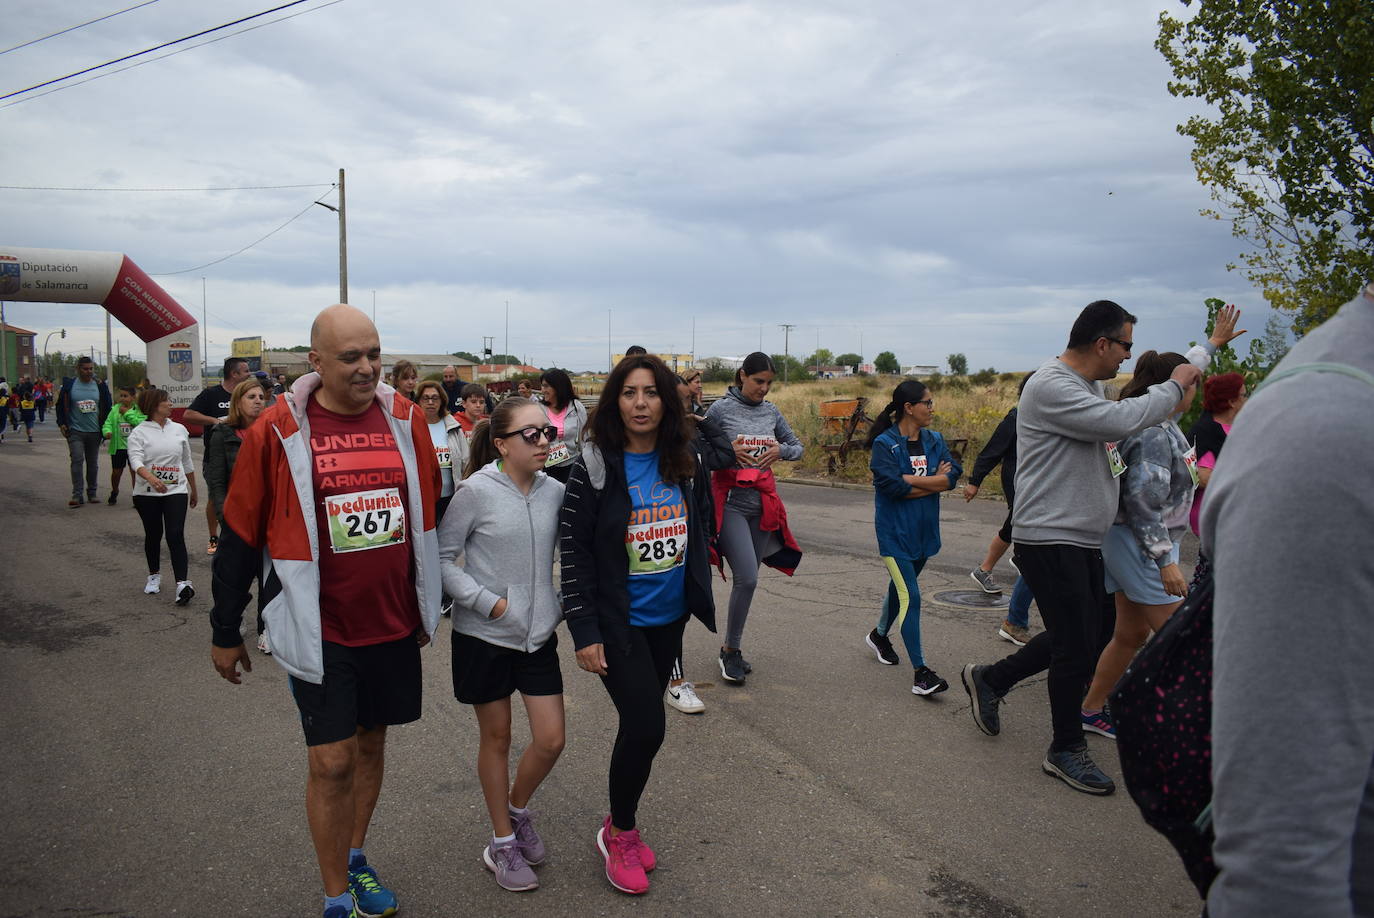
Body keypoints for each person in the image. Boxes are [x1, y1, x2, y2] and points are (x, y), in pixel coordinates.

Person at [209, 304, 443, 918]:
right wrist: (224, 628)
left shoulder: (405, 419)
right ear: (315, 362)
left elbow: (426, 517)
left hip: (391, 621)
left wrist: (428, 598)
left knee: (370, 743)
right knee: (332, 759)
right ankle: (334, 894)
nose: (367, 368)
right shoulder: (279, 430)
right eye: (351, 358)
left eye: (375, 354)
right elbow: (239, 532)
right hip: (320, 625)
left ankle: (356, 858)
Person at [959, 300, 1235, 796]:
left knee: (1091, 633)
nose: (1128, 357)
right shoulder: (1051, 385)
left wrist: (1208, 348)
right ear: (1102, 342)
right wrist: (1177, 380)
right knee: (1075, 646)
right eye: (1125, 345)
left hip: (1084, 538)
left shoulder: (1089, 387)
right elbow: (1124, 419)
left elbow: (1137, 407)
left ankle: (992, 679)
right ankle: (1065, 748)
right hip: (1050, 536)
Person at [1202, 281, 1373, 918]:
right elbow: (1280, 862)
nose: (1246, 398)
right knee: (1107, 636)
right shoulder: (1324, 428)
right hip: (1129, 544)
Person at [558, 354, 716, 895]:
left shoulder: (685, 456)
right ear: (614, 401)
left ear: (666, 400)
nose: (641, 403)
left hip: (667, 621)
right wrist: (584, 629)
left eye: (650, 392)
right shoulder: (596, 464)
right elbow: (574, 550)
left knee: (645, 727)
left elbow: (697, 522)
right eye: (629, 393)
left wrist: (701, 576)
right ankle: (620, 833)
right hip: (616, 623)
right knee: (647, 724)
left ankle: (618, 823)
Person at [439, 397, 566, 892]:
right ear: (501, 443)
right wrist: (488, 603)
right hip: (484, 638)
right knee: (496, 739)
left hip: (538, 636)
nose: (542, 443)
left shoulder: (556, 491)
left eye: (547, 433)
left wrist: (553, 603)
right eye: (530, 434)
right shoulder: (474, 492)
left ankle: (516, 810)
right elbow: (444, 559)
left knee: (552, 739)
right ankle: (501, 842)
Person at [1079, 351, 1200, 739]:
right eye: (1192, 384)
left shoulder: (1159, 421)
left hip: (1139, 542)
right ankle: (1184, 728)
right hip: (1143, 545)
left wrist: (1211, 344)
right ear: (1173, 387)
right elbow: (1142, 502)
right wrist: (1165, 561)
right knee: (1183, 643)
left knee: (1130, 635)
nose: (1196, 391)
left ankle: (1091, 709)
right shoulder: (1151, 433)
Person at [704, 352, 804, 685]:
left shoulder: (771, 411)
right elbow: (697, 450)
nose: (764, 389)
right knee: (746, 577)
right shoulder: (720, 410)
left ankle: (732, 647)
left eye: (769, 383)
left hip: (762, 505)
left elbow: (797, 446)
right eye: (758, 381)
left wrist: (780, 451)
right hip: (731, 503)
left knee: (749, 583)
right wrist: (727, 453)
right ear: (742, 376)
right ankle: (730, 651)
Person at [862, 380, 962, 695]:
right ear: (909, 407)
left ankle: (879, 635)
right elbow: (892, 487)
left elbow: (953, 476)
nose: (932, 408)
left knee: (900, 589)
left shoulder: (935, 439)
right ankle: (921, 673)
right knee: (911, 597)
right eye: (927, 403)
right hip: (895, 535)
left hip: (924, 532)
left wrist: (919, 482)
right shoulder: (884, 443)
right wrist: (936, 481)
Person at [663, 374, 733, 715]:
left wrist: (705, 422)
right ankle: (675, 682)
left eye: (687, 401)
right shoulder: (656, 449)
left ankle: (666, 673)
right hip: (663, 551)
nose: (683, 407)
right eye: (676, 401)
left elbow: (725, 455)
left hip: (694, 543)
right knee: (671, 612)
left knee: (682, 610)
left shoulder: (695, 444)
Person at [964, 372, 1037, 645]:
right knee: (1018, 526)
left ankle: (985, 569)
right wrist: (974, 482)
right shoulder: (1016, 417)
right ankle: (1016, 561)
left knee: (1012, 525)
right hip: (1018, 481)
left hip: (1033, 484)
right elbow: (991, 451)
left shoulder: (1047, 418)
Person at [205, 379, 269, 650]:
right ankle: (234, 616)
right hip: (235, 518)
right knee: (231, 576)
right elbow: (216, 479)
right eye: (251, 396)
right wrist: (223, 515)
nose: (258, 401)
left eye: (261, 397)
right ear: (238, 401)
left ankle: (266, 628)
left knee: (267, 574)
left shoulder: (270, 430)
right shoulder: (223, 432)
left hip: (266, 516)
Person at [127, 388, 198, 605]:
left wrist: (193, 489)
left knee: (175, 534)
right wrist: (150, 478)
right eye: (166, 401)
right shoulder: (138, 433)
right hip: (146, 493)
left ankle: (182, 584)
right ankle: (154, 575)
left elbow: (186, 461)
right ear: (153, 405)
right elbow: (135, 460)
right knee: (153, 534)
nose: (170, 403)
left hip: (175, 490)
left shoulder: (179, 429)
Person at [185, 357, 252, 554]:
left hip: (242, 458)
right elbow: (189, 415)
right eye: (246, 370)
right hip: (215, 458)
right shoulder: (211, 394)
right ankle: (214, 537)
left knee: (240, 498)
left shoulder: (246, 395)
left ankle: (237, 537)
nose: (249, 374)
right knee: (216, 497)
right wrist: (215, 421)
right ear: (234, 374)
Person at [1186, 372, 1245, 540]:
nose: (1247, 400)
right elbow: (1203, 477)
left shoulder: (1236, 428)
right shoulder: (1208, 431)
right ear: (1231, 402)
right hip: (1213, 517)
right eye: (1243, 395)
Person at [56, 356, 112, 508]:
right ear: (78, 369)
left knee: (92, 463)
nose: (88, 372)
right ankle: (77, 494)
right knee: (77, 459)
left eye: (91, 369)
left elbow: (108, 406)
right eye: (85, 369)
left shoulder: (99, 386)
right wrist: (61, 423)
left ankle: (92, 492)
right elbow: (60, 405)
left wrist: (106, 426)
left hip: (94, 431)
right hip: (75, 430)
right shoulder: (70, 385)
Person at [415, 380, 470, 524]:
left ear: (442, 401)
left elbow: (466, 461)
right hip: (423, 499)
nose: (430, 402)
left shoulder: (453, 427)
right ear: (419, 401)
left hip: (452, 497)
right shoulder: (412, 428)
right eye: (426, 398)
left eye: (435, 398)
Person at [538, 369, 587, 485]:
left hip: (572, 466)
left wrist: (585, 464)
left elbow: (584, 438)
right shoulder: (538, 409)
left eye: (546, 386)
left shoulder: (576, 407)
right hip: (545, 467)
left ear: (558, 387)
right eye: (542, 386)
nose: (542, 390)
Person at [101, 386, 146, 504]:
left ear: (133, 397)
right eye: (120, 396)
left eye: (125, 396)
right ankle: (114, 490)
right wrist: (107, 432)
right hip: (118, 447)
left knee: (135, 472)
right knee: (116, 472)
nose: (122, 398)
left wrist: (127, 413)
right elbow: (108, 423)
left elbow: (140, 423)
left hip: (134, 447)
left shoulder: (138, 410)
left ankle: (137, 496)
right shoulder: (115, 409)